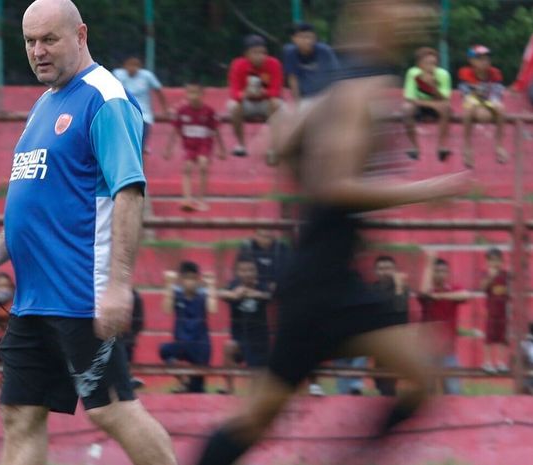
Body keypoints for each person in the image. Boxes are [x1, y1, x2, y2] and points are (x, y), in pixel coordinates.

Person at [193, 2, 470, 464]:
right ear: (375, 18)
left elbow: (275, 143)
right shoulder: (358, 90)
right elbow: (331, 184)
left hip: (332, 277)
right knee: (255, 420)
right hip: (322, 284)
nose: (415, 16)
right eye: (403, 9)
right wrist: (429, 188)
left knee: (421, 374)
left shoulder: (342, 87)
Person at [0, 2, 177, 465]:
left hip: (80, 294)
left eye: (49, 39)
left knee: (113, 410)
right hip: (33, 299)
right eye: (30, 41)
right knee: (19, 413)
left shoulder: (104, 98)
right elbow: (41, 202)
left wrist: (118, 286)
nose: (38, 51)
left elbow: (129, 193)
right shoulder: (44, 104)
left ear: (80, 35)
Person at [164, 82, 226, 211]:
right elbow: (175, 130)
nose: (193, 96)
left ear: (202, 94)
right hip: (189, 146)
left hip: (204, 145)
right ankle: (187, 199)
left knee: (203, 164)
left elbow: (217, 130)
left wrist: (222, 149)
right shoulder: (182, 111)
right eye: (190, 93)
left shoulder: (208, 111)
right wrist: (168, 149)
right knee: (187, 167)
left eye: (196, 93)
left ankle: (201, 199)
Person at [159, 262, 217, 393]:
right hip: (182, 343)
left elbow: (213, 309)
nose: (190, 282)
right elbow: (166, 309)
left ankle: (190, 386)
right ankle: (184, 381)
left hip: (200, 345)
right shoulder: (177, 294)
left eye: (193, 278)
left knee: (197, 389)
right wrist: (168, 285)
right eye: (186, 278)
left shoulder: (203, 295)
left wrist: (212, 285)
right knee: (164, 350)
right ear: (181, 280)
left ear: (198, 280)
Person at [418, 254, 470, 394]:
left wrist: (440, 296)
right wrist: (428, 263)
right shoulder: (428, 292)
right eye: (437, 271)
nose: (441, 274)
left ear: (448, 273)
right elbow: (423, 293)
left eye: (444, 271)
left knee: (454, 391)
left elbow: (466, 295)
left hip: (448, 351)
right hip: (427, 350)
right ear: (431, 273)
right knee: (426, 392)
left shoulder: (452, 289)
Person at [219, 256, 271, 395]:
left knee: (257, 387)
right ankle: (229, 388)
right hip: (240, 340)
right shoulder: (234, 286)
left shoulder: (261, 286)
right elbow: (221, 293)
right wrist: (233, 295)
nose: (247, 273)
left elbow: (270, 295)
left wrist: (255, 294)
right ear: (237, 272)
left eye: (251, 270)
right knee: (229, 346)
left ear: (256, 272)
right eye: (243, 270)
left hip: (259, 342)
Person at [227, 34, 283, 157]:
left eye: (262, 53)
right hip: (247, 102)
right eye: (255, 53)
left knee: (277, 104)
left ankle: (274, 147)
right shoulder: (238, 65)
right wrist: (245, 93)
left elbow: (276, 90)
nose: (260, 56)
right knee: (234, 106)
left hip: (266, 102)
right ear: (246, 54)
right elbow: (234, 92)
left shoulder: (274, 64)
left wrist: (264, 92)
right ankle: (241, 144)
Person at [458, 45, 508, 168]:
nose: (484, 62)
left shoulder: (494, 74)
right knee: (468, 110)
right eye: (480, 58)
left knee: (501, 108)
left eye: (486, 58)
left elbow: (497, 92)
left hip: (490, 98)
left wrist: (489, 104)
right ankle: (467, 147)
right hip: (473, 99)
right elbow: (465, 93)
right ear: (472, 61)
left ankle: (499, 145)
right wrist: (476, 94)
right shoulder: (466, 73)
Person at [402, 47, 452, 161]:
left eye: (434, 63)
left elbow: (445, 99)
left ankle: (441, 146)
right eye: (427, 63)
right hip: (420, 106)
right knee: (406, 108)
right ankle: (414, 147)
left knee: (446, 108)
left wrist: (434, 88)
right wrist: (433, 104)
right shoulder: (413, 73)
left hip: (437, 106)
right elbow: (410, 98)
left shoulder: (443, 75)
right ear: (419, 65)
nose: (431, 67)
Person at [112, 55, 170, 153]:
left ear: (139, 68)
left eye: (135, 66)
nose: (132, 69)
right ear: (125, 66)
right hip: (124, 114)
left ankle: (140, 154)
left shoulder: (147, 76)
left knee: (138, 148)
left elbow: (159, 91)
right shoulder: (118, 74)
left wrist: (165, 108)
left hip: (143, 115)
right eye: (129, 66)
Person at [370, 255, 410, 396]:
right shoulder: (372, 290)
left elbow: (401, 311)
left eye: (388, 268)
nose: (384, 272)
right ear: (375, 271)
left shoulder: (402, 289)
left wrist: (399, 287)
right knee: (380, 379)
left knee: (388, 380)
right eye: (381, 269)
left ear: (395, 270)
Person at [282, 22, 339, 102]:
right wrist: (297, 105)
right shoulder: (290, 53)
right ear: (294, 39)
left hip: (325, 95)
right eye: (301, 37)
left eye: (309, 37)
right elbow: (293, 79)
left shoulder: (324, 51)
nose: (306, 41)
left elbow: (335, 76)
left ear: (314, 38)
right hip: (304, 97)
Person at [480, 248, 510, 374]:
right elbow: (483, 287)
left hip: (503, 312)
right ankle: (487, 362)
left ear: (502, 261)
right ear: (487, 262)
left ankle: (501, 362)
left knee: (502, 339)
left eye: (497, 260)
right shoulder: (486, 275)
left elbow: (509, 289)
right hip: (491, 312)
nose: (495, 263)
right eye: (492, 261)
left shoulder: (505, 275)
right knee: (489, 338)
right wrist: (491, 277)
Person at [120, 289, 145, 390]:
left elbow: (139, 322)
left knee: (127, 344)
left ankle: (125, 379)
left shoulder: (135, 296)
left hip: (126, 339)